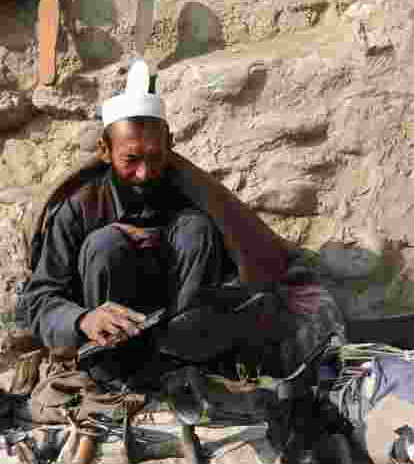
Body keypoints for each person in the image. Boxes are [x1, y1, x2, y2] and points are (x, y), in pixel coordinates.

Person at [16, 61, 257, 384]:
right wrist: (83, 319)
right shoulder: (78, 208)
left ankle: (183, 361)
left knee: (194, 229)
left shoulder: (195, 195)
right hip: (110, 356)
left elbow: (244, 269)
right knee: (106, 245)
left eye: (155, 157)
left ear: (169, 144)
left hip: (183, 348)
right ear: (105, 150)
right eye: (131, 160)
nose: (144, 173)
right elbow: (37, 301)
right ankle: (117, 370)